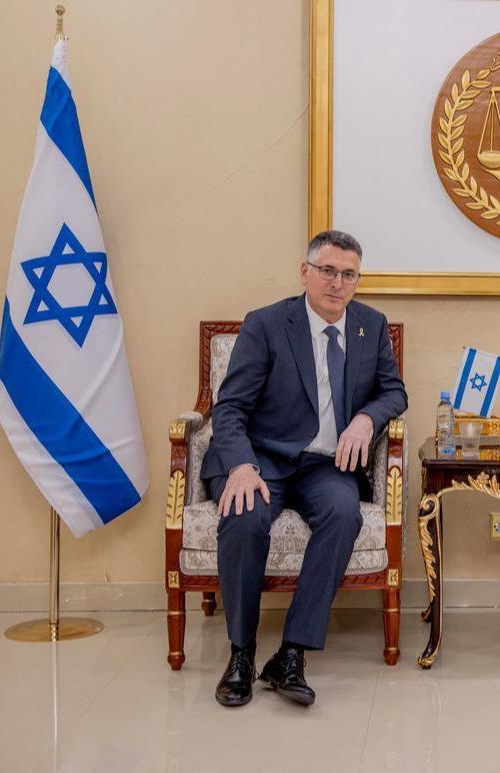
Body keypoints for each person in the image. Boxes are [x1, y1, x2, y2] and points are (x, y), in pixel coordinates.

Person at [202, 230, 407, 708]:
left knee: (344, 513)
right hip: (262, 458)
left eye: (348, 274)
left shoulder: (370, 326)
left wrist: (364, 418)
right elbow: (229, 407)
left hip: (325, 465)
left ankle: (291, 653)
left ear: (358, 280)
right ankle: (242, 654)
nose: (338, 283)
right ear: (305, 273)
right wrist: (240, 466)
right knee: (245, 516)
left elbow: (394, 392)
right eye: (328, 271)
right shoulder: (268, 324)